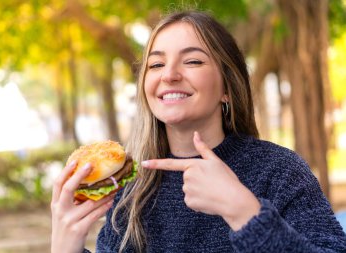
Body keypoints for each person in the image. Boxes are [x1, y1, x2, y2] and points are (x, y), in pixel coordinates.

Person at [51, 10, 346, 253]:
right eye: (156, 64)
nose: (169, 75)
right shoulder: (131, 188)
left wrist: (244, 213)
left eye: (192, 61)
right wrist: (66, 246)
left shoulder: (280, 171)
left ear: (227, 88)